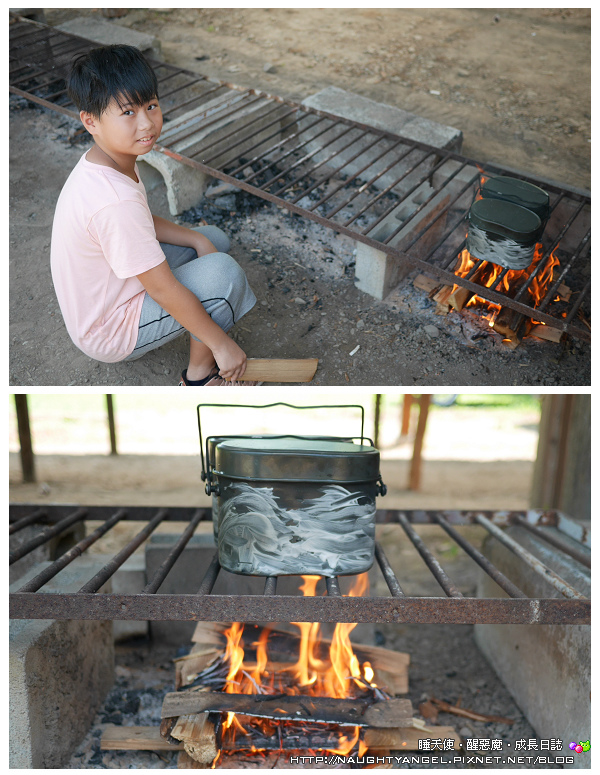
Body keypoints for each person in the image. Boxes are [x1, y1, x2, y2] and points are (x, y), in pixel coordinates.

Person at [50, 44, 257, 386]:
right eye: (128, 112)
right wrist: (223, 346)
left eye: (151, 105)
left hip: (113, 289)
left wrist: (195, 237)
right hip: (109, 329)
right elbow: (162, 289)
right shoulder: (114, 201)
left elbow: (141, 224)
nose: (147, 123)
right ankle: (199, 377)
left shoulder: (105, 162)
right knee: (225, 276)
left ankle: (205, 349)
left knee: (212, 239)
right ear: (91, 120)